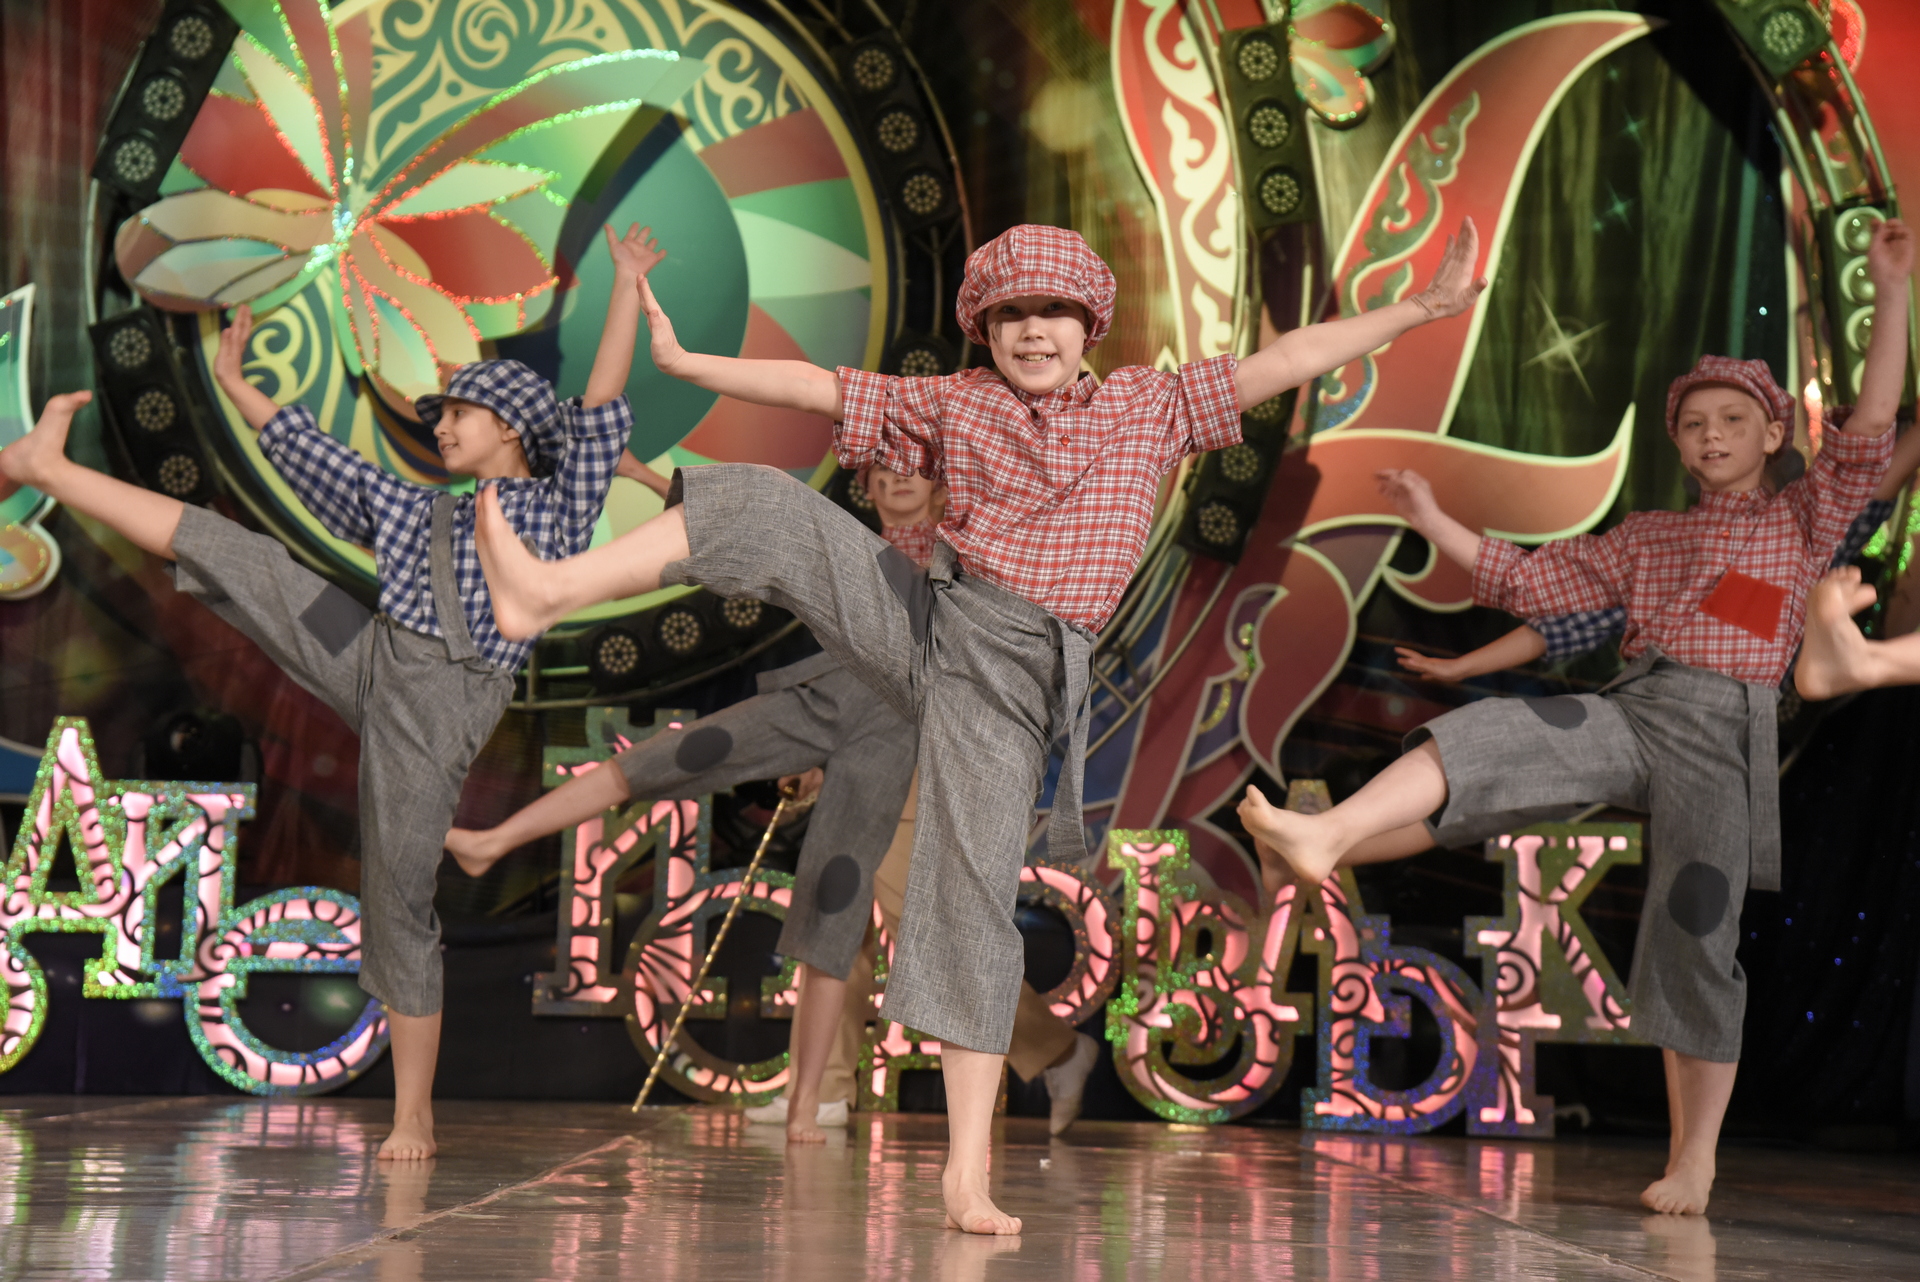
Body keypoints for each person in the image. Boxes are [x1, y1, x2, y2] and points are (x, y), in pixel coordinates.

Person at [465, 219, 1488, 1233]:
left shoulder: (1151, 404)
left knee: (967, 901)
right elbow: (820, 387)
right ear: (986, 330)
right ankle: (548, 591)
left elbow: (1289, 358)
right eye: (1010, 315)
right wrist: (690, 363)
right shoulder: (958, 400)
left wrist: (1419, 307)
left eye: (1052, 312)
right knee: (773, 506)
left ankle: (965, 1175)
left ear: (1089, 324)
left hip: (1013, 673)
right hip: (929, 616)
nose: (1031, 331)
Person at [1242, 216, 1911, 1218]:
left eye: (1733, 419)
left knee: (1695, 936)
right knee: (1500, 734)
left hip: (1724, 737)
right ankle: (1327, 833)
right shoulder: (1646, 536)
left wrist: (1892, 291)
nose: (1713, 435)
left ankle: (1694, 1160)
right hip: (1638, 707)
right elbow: (1528, 580)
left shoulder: (1800, 519)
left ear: (1774, 433)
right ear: (1677, 443)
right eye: (1695, 423)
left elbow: (1868, 433)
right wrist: (1429, 517)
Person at [0, 222, 663, 1161]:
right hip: (370, 651)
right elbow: (316, 460)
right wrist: (235, 384)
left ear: (511, 426)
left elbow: (598, 404)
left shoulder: (559, 504)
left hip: (440, 701)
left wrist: (627, 282)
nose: (439, 426)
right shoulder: (415, 505)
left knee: (397, 896)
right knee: (239, 553)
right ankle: (50, 468)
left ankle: (413, 1113)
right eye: (439, 415)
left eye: (458, 414)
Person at [1397, 411, 1920, 686]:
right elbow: (1557, 623)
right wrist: (1463, 667)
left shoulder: (1808, 537)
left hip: (1761, 725)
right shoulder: (1671, 566)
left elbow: (1875, 481)